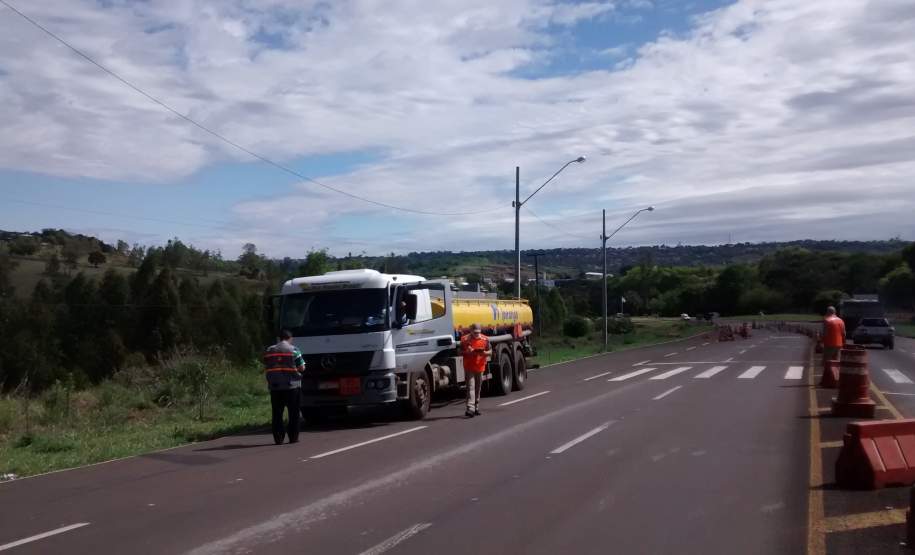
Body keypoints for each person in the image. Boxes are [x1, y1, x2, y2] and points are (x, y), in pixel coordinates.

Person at [263, 329, 306, 445]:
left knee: (277, 413)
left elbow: (266, 363)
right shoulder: (294, 350)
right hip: (292, 386)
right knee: (294, 413)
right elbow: (302, 368)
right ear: (290, 338)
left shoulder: (269, 350)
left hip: (275, 386)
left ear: (279, 338)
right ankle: (293, 437)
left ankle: (278, 438)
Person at [460, 323, 491, 418]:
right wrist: (467, 352)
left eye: (478, 332)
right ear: (471, 331)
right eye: (475, 332)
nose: (477, 334)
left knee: (478, 387)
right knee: (470, 387)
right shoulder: (464, 340)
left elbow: (490, 351)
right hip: (469, 367)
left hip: (480, 367)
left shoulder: (485, 339)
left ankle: (476, 407)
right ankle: (470, 408)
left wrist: (484, 353)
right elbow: (459, 351)